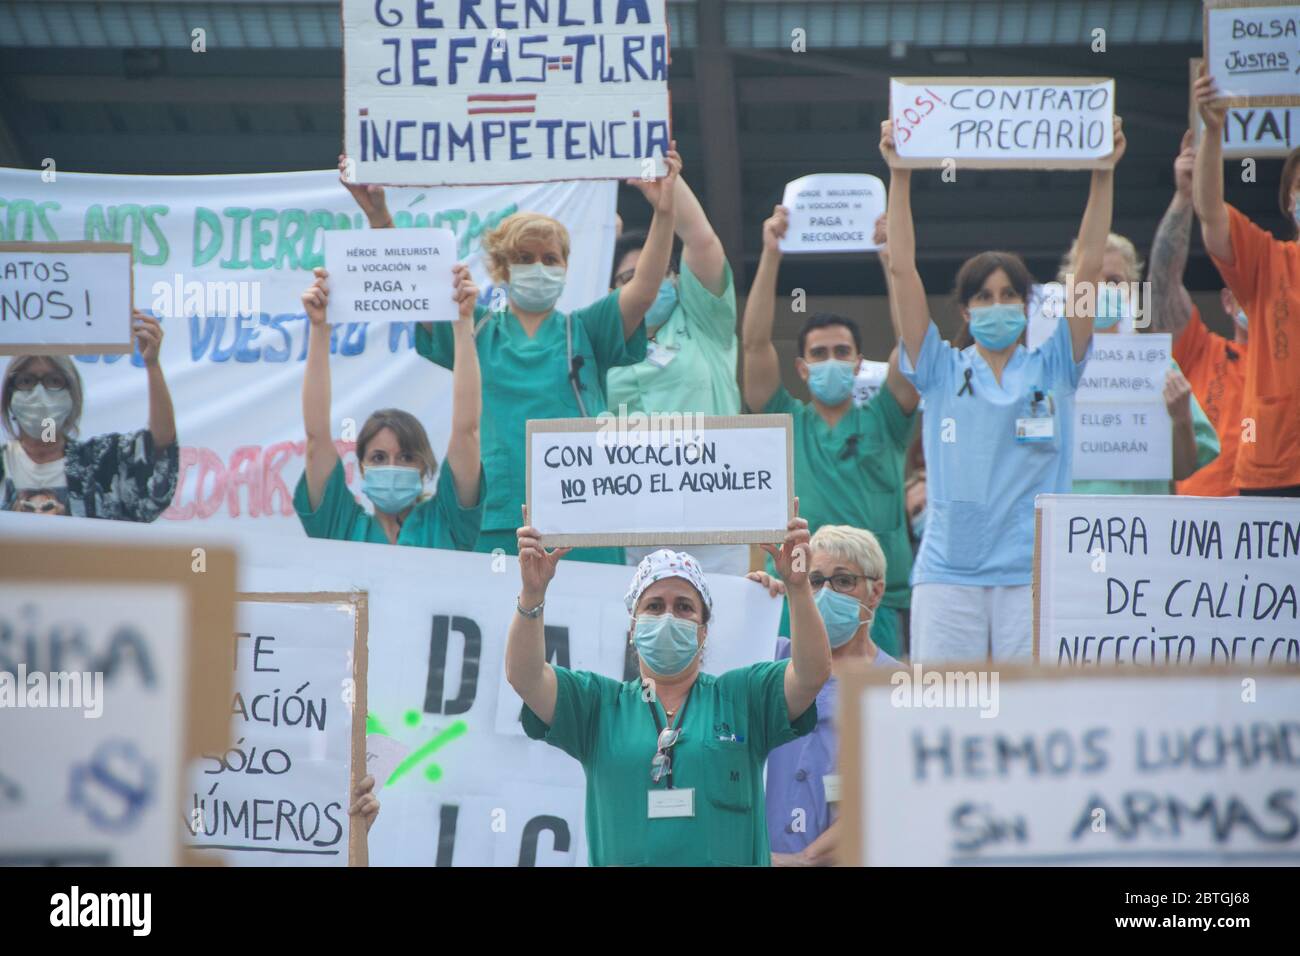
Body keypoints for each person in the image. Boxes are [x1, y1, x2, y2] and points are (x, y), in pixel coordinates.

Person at [343, 150, 685, 564]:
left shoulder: (587, 330)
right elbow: (418, 286)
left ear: (565, 267)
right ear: (503, 271)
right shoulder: (476, 328)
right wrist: (379, 217)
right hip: (493, 525)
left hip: (582, 522)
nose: (538, 266)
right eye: (524, 258)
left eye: (549, 258)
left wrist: (664, 213)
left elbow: (645, 288)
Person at [882, 116, 1125, 662]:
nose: (997, 306)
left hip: (1033, 574)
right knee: (943, 718)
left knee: (1030, 718)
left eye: (1009, 294)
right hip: (948, 574)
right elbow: (902, 271)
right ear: (966, 309)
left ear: (1028, 304)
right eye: (984, 297)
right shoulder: (938, 367)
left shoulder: (1056, 364)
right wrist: (899, 173)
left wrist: (1102, 172)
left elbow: (1085, 269)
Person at [506, 502, 831, 867]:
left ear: (703, 631)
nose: (668, 617)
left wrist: (799, 587)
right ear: (633, 628)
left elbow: (811, 673)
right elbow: (527, 677)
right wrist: (532, 595)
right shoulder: (598, 706)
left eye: (684, 607)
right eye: (655, 606)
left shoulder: (743, 697)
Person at [742, 205, 919, 659]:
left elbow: (913, 345)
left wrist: (888, 257)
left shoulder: (887, 417)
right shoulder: (784, 421)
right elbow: (755, 344)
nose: (831, 359)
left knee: (876, 717)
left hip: (877, 598)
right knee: (797, 717)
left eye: (842, 351)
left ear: (860, 363)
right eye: (819, 353)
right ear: (801, 368)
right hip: (797, 590)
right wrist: (770, 253)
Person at [607, 172, 746, 576]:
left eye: (657, 272)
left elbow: (701, 240)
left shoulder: (704, 319)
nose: (645, 284)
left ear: (677, 279)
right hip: (625, 526)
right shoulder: (599, 338)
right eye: (627, 279)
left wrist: (669, 190)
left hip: (712, 523)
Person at [294, 266, 484, 547]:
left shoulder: (448, 520)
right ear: (361, 466)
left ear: (424, 465)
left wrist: (463, 324)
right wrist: (320, 330)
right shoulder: (340, 523)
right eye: (379, 458)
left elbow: (467, 430)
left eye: (407, 457)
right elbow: (316, 436)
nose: (392, 467)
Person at [747, 524, 899, 866]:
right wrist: (751, 608)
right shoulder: (768, 656)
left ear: (875, 592)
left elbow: (893, 792)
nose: (826, 593)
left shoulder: (895, 684)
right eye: (815, 581)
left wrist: (806, 860)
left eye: (843, 581)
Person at [1193, 65, 1300, 496]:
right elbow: (1211, 212)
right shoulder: (1270, 260)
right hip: (1273, 466)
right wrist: (1212, 132)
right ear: (1289, 202)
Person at [1055, 227, 1219, 495]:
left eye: (1114, 281)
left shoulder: (1157, 368)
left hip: (1138, 530)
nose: (1102, 289)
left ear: (1132, 291)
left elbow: (1183, 468)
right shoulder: (1050, 368)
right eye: (1090, 280)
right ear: (1070, 291)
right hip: (1068, 529)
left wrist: (1181, 419)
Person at [1, 312, 177, 519]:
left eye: (54, 381)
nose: (40, 394)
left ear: (72, 396)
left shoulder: (101, 465)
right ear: (9, 397)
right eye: (27, 381)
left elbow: (158, 446)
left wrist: (152, 364)